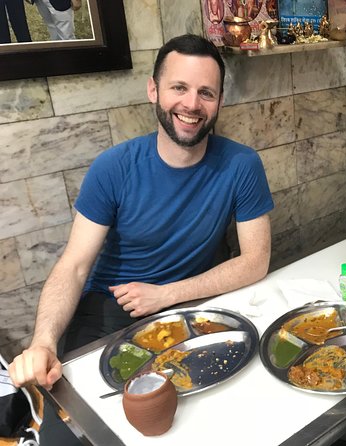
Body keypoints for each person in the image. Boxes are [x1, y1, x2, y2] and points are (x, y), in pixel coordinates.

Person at [8, 34, 274, 444]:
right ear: (154, 90)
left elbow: (255, 260)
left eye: (206, 92)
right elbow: (74, 266)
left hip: (188, 307)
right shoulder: (113, 167)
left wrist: (166, 294)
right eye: (179, 88)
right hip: (109, 312)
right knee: (88, 429)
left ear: (220, 101)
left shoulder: (242, 164)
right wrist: (43, 341)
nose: (191, 104)